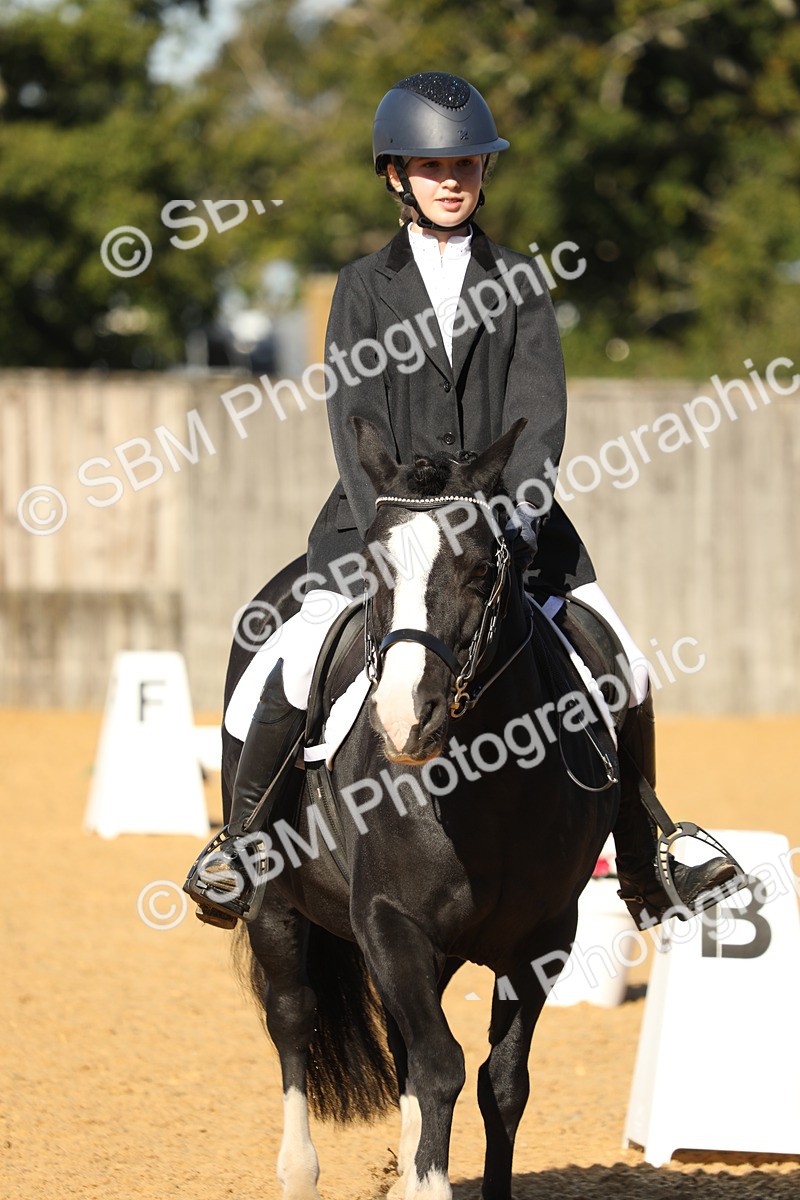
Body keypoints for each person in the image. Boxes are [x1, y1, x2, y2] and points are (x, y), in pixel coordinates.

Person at [184, 71, 741, 930]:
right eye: (433, 167)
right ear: (395, 176)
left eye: (469, 166)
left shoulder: (519, 281)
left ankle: (645, 856)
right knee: (286, 660)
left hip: (509, 532)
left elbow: (539, 414)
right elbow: (356, 418)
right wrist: (399, 528)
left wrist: (503, 522)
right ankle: (242, 847)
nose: (454, 181)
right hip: (386, 529)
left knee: (627, 664)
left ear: (484, 174)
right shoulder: (364, 287)